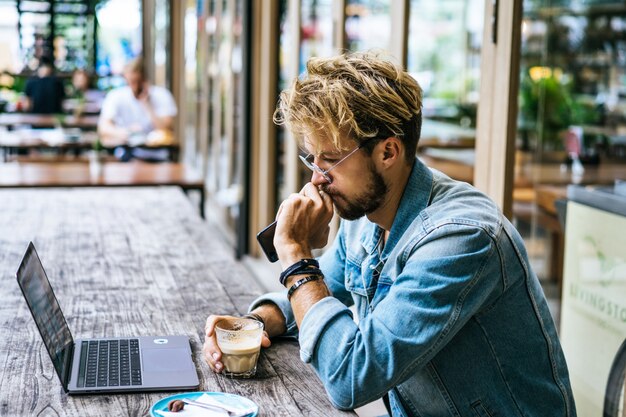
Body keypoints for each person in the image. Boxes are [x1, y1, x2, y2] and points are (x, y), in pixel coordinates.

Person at [203, 53, 577, 417]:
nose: (316, 178)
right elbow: (325, 287)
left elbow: (350, 377)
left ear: (388, 152)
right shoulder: (366, 214)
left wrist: (296, 255)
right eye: (311, 159)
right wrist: (254, 324)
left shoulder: (462, 238)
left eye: (331, 160)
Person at [97, 57, 176, 149]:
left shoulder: (162, 95)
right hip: (126, 151)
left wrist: (147, 105)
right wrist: (127, 133)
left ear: (145, 79)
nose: (135, 86)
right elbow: (103, 128)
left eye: (138, 81)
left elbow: (165, 130)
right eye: (131, 82)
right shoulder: (116, 96)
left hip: (157, 152)